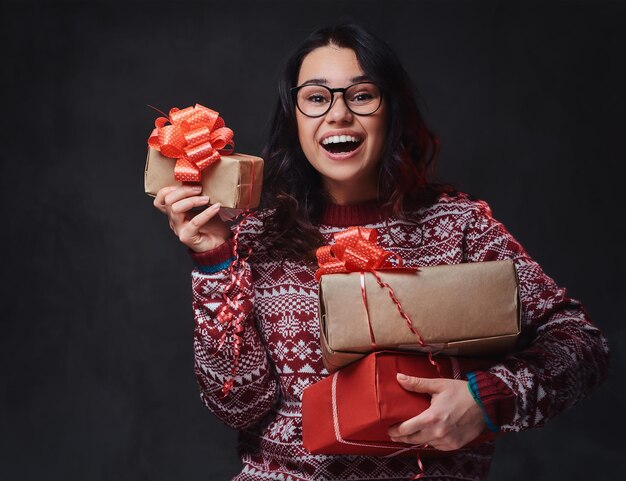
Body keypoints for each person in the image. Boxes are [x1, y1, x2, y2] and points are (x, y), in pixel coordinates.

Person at [153, 23, 609, 481]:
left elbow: (581, 344)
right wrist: (215, 259)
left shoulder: (460, 226)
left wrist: (486, 400)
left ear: (391, 110)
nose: (338, 115)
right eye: (316, 97)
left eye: (362, 95)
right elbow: (237, 405)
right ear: (294, 116)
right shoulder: (256, 236)